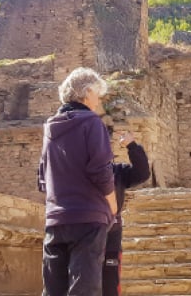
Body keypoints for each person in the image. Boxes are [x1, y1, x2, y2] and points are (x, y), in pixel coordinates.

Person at [38, 67, 118, 296]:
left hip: (56, 219)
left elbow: (42, 177)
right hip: (88, 219)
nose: (98, 102)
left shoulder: (50, 128)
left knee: (54, 289)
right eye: (97, 96)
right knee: (84, 288)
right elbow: (101, 171)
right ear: (87, 92)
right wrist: (112, 204)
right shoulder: (92, 123)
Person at [103, 132, 150, 296]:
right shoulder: (80, 170)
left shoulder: (118, 171)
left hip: (111, 239)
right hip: (85, 238)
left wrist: (132, 146)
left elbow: (142, 173)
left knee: (110, 286)